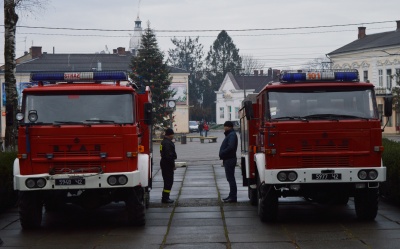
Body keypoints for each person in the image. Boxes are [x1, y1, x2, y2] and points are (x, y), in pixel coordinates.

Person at [219, 121, 238, 203]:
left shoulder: (232, 135)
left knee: (231, 179)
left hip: (230, 159)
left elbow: (231, 147)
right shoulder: (230, 134)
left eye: (225, 126)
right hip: (228, 159)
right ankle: (231, 195)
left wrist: (222, 153)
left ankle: (233, 197)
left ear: (228, 127)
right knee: (230, 178)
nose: (224, 128)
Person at [160, 128, 177, 203]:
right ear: (170, 134)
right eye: (172, 134)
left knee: (167, 181)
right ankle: (165, 198)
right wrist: (172, 165)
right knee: (168, 181)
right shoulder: (167, 143)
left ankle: (166, 196)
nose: (173, 136)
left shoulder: (164, 142)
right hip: (167, 164)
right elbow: (169, 155)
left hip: (164, 163)